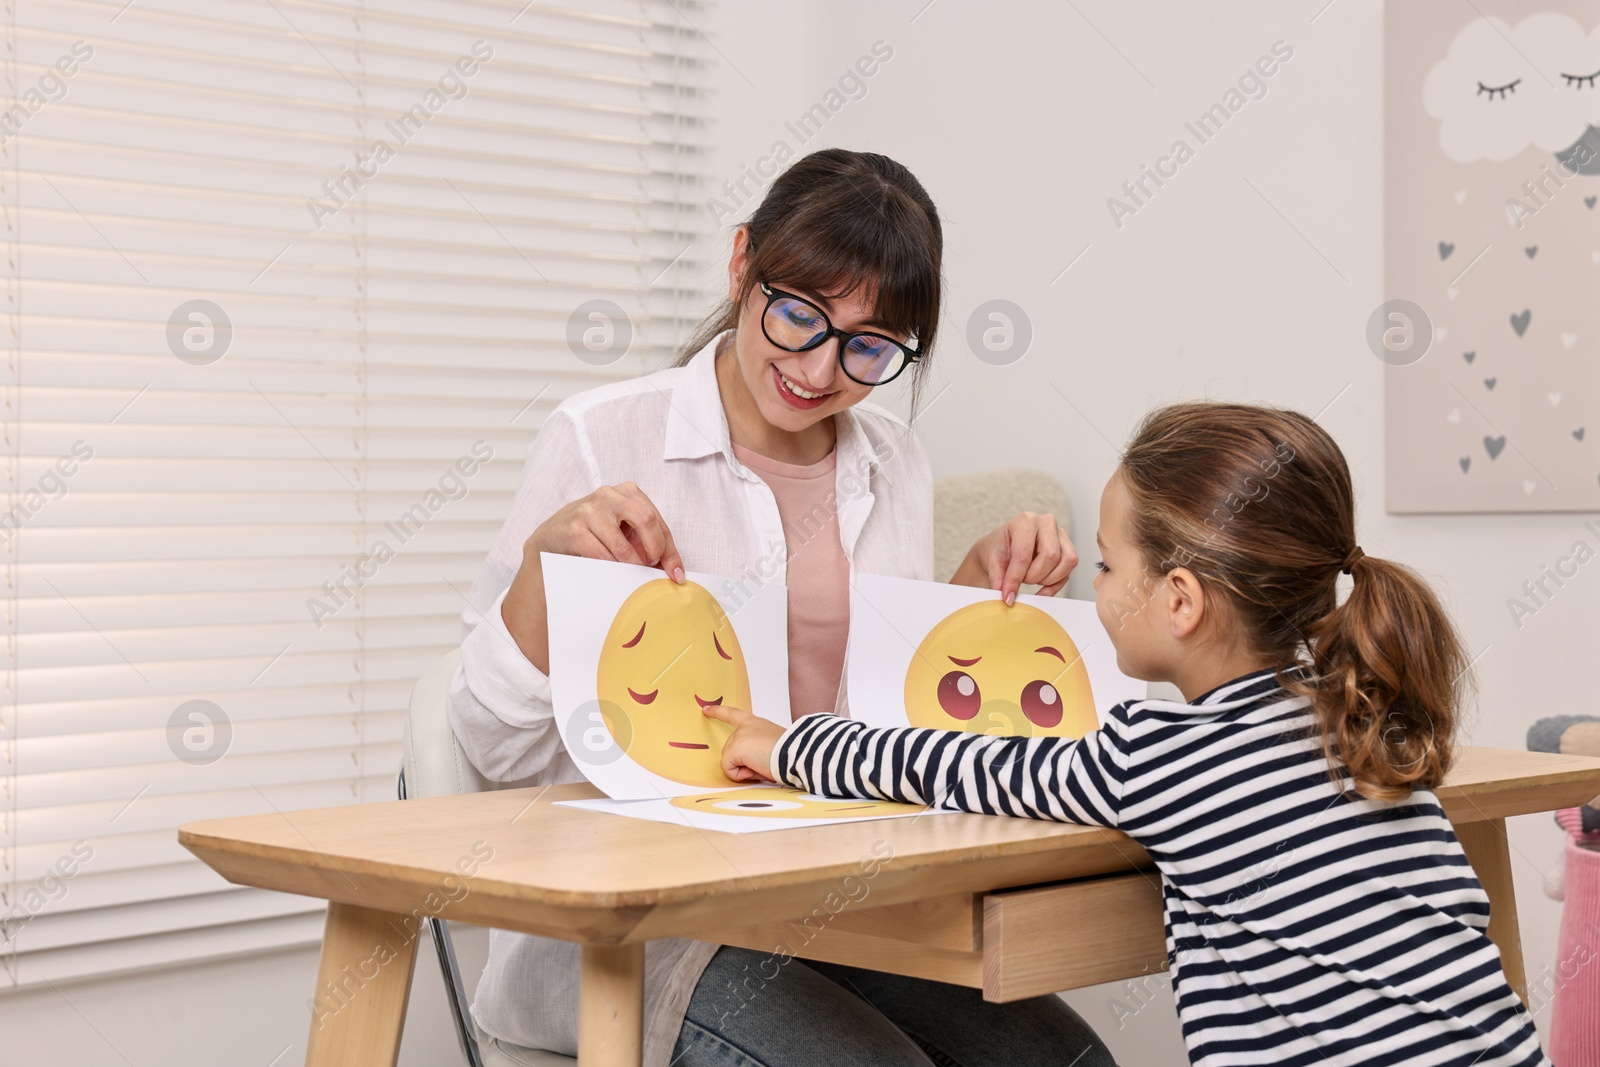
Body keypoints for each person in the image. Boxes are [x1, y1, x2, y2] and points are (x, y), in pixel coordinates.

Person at [449, 147, 1116, 1067]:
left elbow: (874, 733)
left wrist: (971, 593)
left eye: (868, 345)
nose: (818, 365)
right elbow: (490, 748)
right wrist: (542, 564)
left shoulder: (893, 460)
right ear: (740, 266)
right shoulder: (601, 436)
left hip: (835, 905)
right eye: (799, 313)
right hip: (642, 925)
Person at [711, 401, 1551, 1067]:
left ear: (1180, 602)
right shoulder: (1362, 717)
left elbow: (955, 765)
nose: (1097, 582)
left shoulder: (1165, 757)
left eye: (1109, 566)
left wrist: (785, 743)